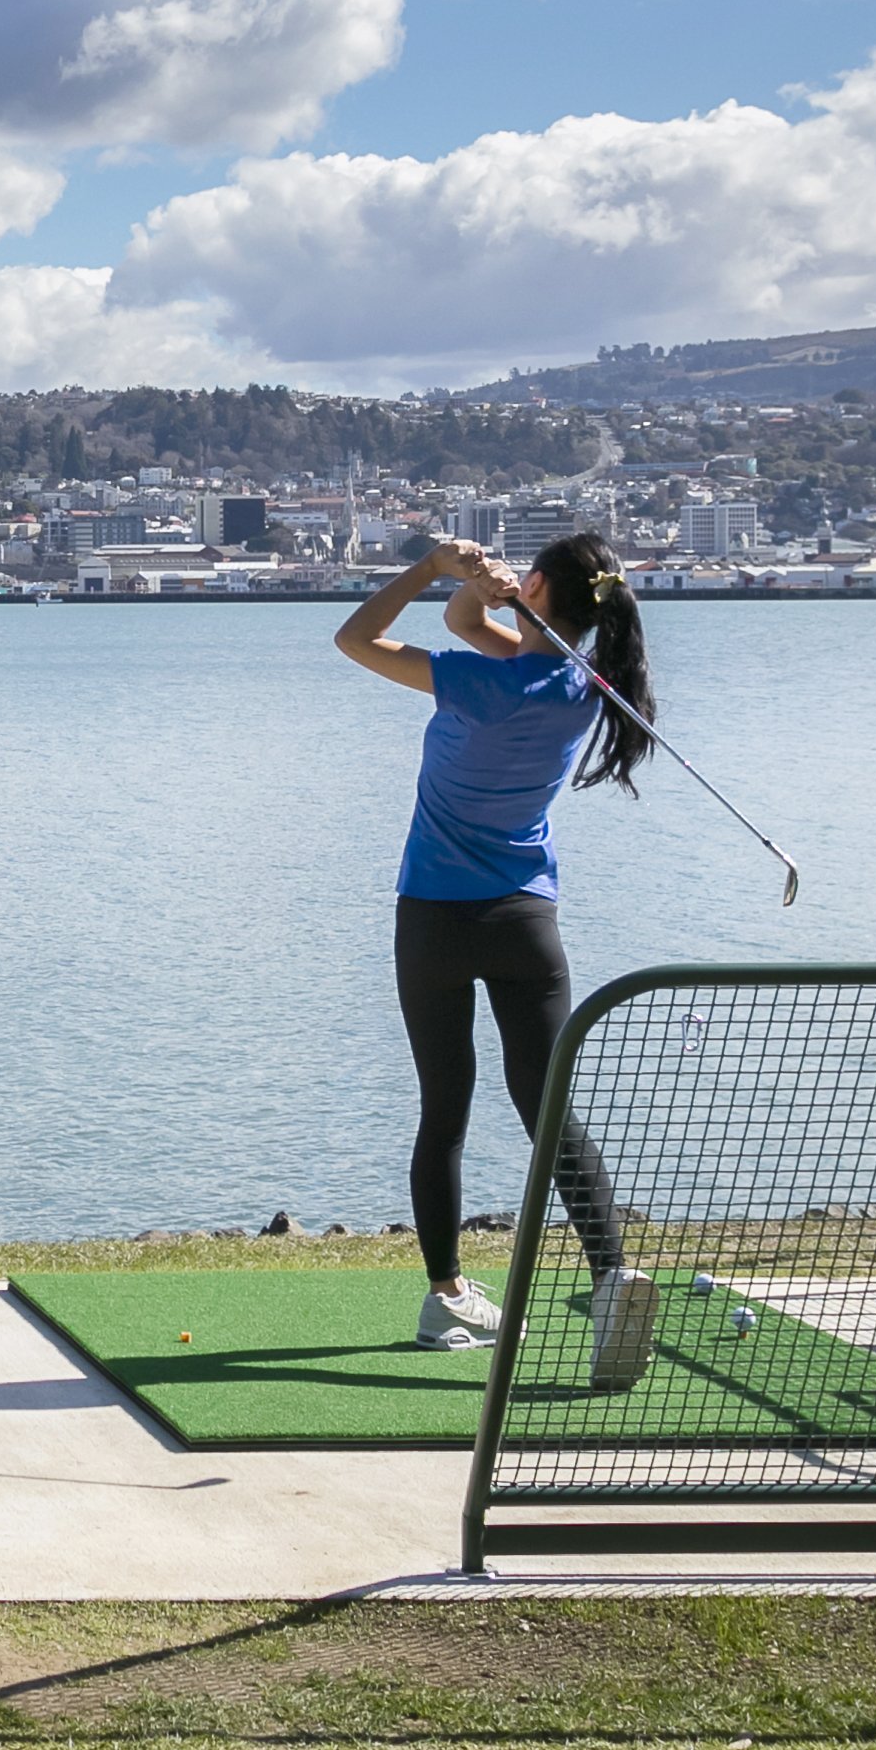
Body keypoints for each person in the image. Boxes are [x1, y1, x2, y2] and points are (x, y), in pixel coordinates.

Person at [335, 530, 659, 1390]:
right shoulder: (586, 684)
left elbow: (354, 639)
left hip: (435, 918)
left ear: (544, 582)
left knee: (444, 1109)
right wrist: (489, 588)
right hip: (525, 923)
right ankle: (610, 1278)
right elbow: (470, 623)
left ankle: (444, 1297)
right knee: (545, 1108)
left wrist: (429, 569)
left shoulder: (474, 681)